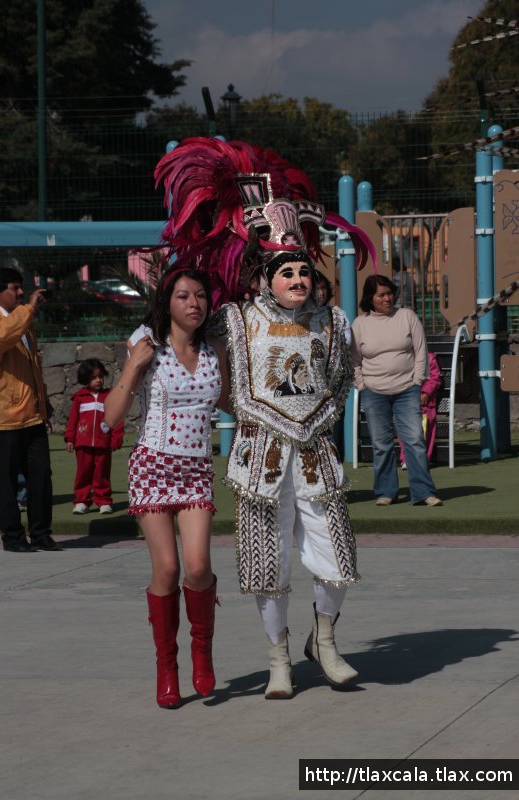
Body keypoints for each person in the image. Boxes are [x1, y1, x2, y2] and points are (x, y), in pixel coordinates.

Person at [154, 137, 376, 699]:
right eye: (287, 272)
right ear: (265, 277)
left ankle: (323, 637)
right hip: (259, 456)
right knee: (264, 561)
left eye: (303, 270)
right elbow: (186, 325)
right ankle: (278, 657)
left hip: (317, 452)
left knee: (337, 557)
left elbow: (342, 378)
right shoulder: (234, 318)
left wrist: (318, 421)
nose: (298, 279)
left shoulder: (333, 321)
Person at [104, 265, 228, 709]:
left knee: (197, 568)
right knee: (168, 571)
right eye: (182, 296)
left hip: (195, 468)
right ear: (167, 303)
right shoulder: (147, 347)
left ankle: (202, 651)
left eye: (200, 295)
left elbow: (232, 401)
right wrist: (133, 367)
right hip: (152, 466)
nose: (193, 303)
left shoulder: (215, 348)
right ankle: (166, 665)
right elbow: (111, 417)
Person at [0, 267, 62, 551]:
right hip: (3, 417)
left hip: (32, 414)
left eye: (21, 287)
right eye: (13, 288)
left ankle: (41, 533)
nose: (20, 292)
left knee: (41, 476)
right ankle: (13, 537)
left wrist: (43, 400)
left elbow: (32, 366)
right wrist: (28, 308)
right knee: (6, 479)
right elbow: (2, 339)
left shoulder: (23, 319)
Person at [351, 274, 442, 507]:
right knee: (381, 444)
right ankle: (385, 492)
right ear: (370, 298)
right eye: (381, 294)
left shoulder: (407, 316)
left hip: (407, 390)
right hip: (373, 391)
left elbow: (421, 351)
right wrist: (362, 384)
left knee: (414, 440)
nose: (387, 298)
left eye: (390, 293)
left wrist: (417, 381)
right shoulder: (360, 324)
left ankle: (423, 492)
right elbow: (353, 360)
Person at [64, 358, 124, 514]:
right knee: (83, 474)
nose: (98, 380)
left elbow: (116, 418)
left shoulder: (109, 396)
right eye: (93, 377)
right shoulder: (79, 398)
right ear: (85, 379)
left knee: (102, 474)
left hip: (103, 443)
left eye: (100, 376)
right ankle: (82, 501)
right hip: (82, 444)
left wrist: (116, 438)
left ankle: (103, 501)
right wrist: (70, 438)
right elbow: (73, 421)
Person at [399, 351, 441, 467]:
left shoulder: (429, 357)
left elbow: (434, 378)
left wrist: (426, 393)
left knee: (426, 431)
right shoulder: (402, 356)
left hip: (425, 405)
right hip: (405, 402)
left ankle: (423, 459)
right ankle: (407, 458)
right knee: (403, 429)